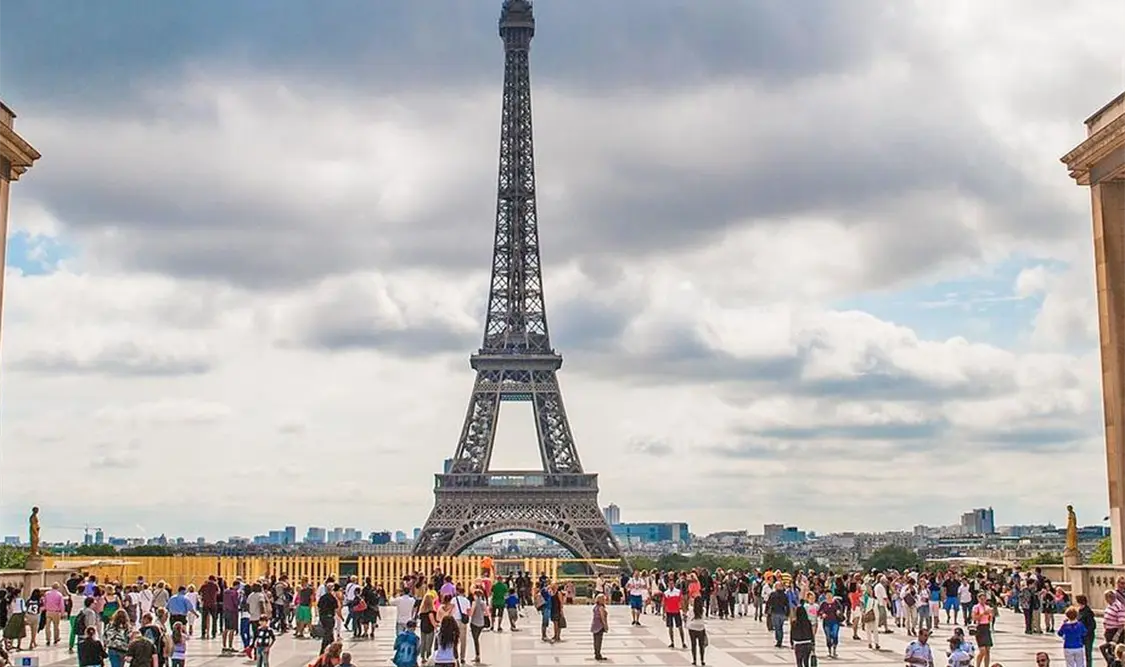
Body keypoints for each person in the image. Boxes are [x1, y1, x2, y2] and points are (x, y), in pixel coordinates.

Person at [686, 597, 707, 667]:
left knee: (693, 645)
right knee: (701, 646)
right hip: (701, 628)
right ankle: (702, 660)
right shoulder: (703, 610)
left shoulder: (691, 610)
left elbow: (688, 618)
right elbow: (703, 620)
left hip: (692, 629)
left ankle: (694, 660)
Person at [590, 594, 608, 662]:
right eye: (604, 599)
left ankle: (597, 653)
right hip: (599, 626)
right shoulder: (601, 608)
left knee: (595, 641)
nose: (605, 600)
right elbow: (602, 618)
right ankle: (598, 655)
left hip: (594, 625)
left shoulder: (595, 607)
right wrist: (605, 626)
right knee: (599, 641)